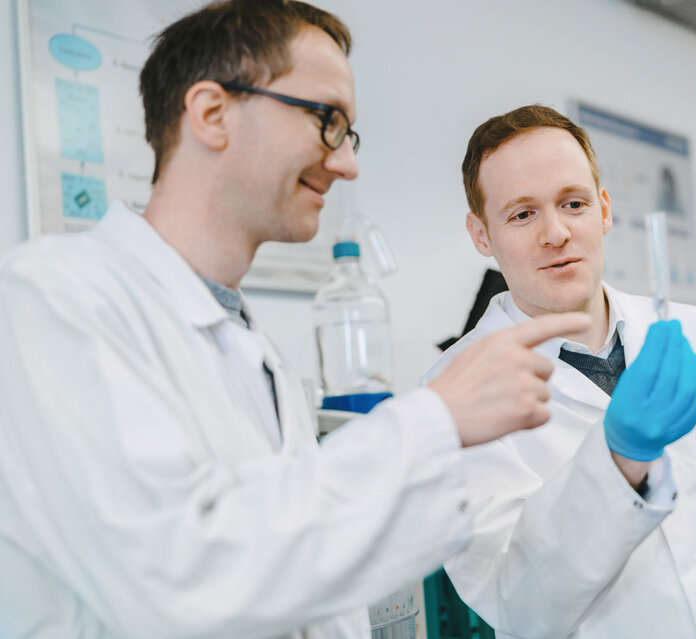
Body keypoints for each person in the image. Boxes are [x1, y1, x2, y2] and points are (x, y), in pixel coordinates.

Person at [0, 4, 590, 638]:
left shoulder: (255, 354)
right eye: (327, 121)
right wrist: (434, 422)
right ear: (211, 113)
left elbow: (304, 584)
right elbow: (176, 581)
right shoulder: (54, 297)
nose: (346, 164)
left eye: (348, 134)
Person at [423, 105, 696, 639]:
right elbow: (516, 604)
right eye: (522, 214)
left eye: (572, 203)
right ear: (481, 234)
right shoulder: (452, 393)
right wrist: (617, 461)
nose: (556, 233)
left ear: (603, 209)